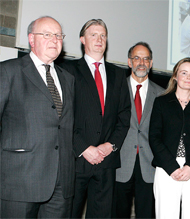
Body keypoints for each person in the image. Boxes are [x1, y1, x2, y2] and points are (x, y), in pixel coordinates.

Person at [0, 16, 75, 218]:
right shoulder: (8, 71)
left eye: (59, 35)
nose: (55, 40)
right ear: (31, 39)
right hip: (20, 180)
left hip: (61, 182)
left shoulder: (68, 79)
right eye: (47, 34)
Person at [59, 19, 131, 218]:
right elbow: (62, 115)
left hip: (106, 161)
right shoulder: (67, 70)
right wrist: (83, 147)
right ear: (82, 39)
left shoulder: (118, 74)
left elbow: (124, 115)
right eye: (93, 34)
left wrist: (111, 145)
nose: (99, 39)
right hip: (76, 159)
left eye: (103, 35)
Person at [149, 57, 190, 219]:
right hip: (166, 169)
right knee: (165, 215)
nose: (188, 78)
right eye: (184, 73)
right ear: (175, 76)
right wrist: (172, 167)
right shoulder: (161, 102)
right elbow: (154, 137)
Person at [114, 42, 164, 218]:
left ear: (151, 63)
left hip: (150, 165)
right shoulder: (116, 89)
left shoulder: (163, 95)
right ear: (129, 62)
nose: (141, 62)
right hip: (120, 164)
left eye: (146, 59)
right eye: (137, 58)